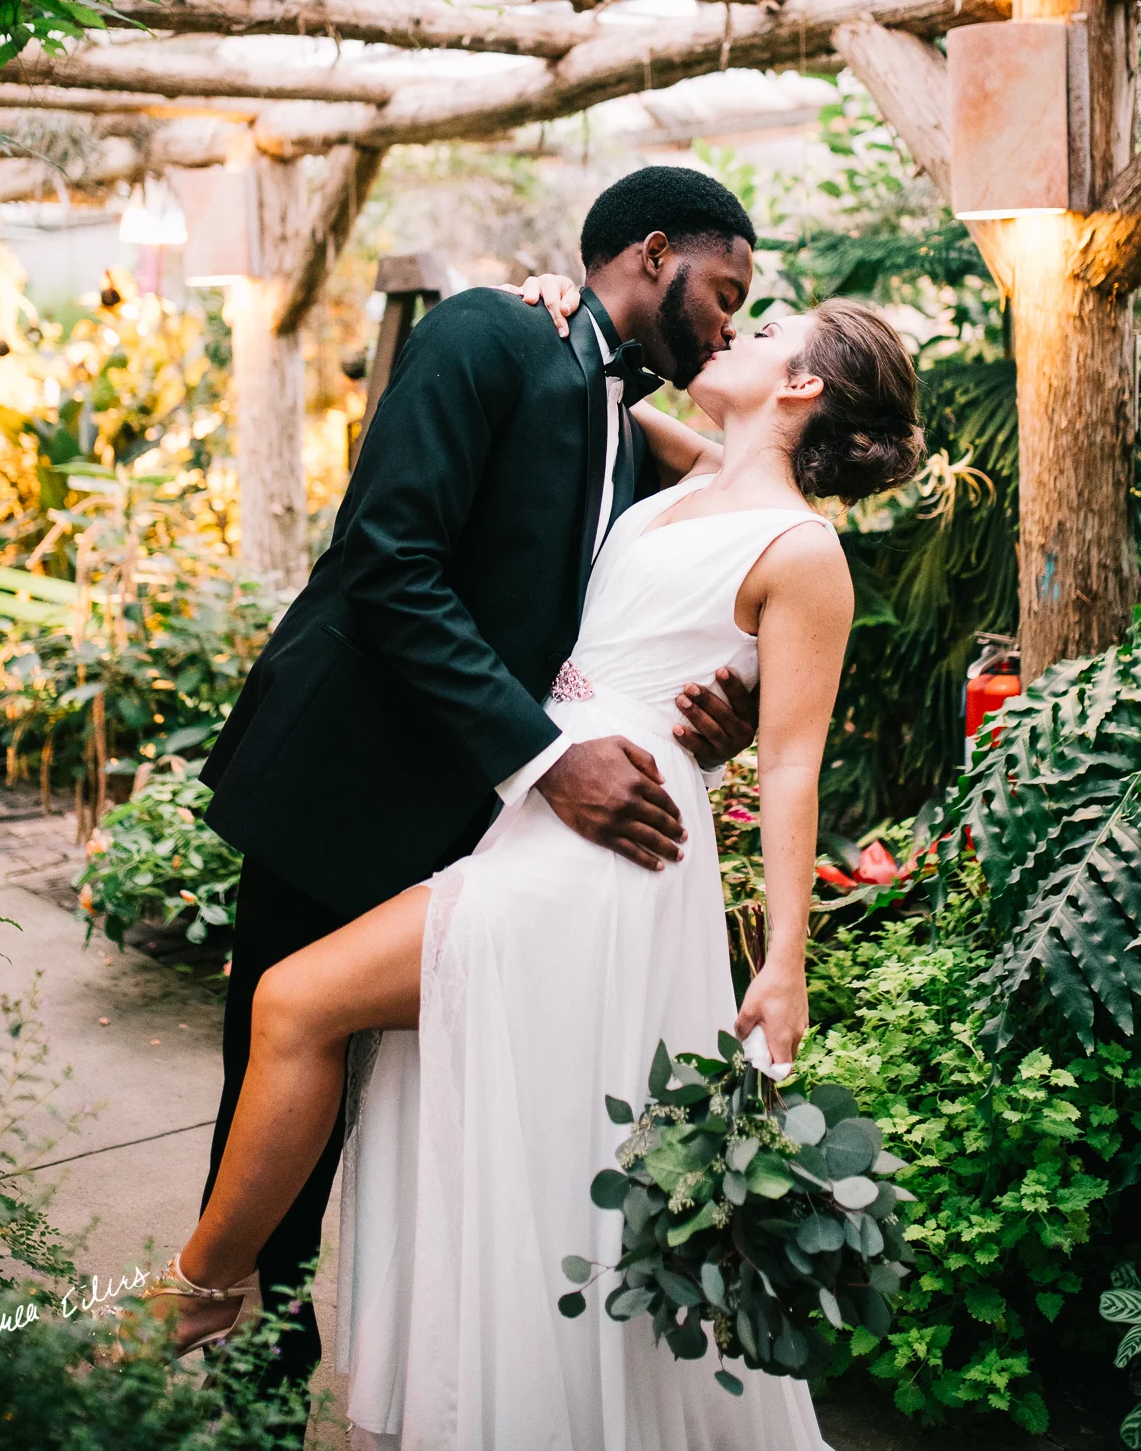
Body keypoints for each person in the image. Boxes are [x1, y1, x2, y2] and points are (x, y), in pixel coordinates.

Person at [140, 288, 924, 1451]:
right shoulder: (695, 473)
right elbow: (589, 382)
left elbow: (792, 761)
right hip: (540, 809)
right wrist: (551, 301)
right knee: (527, 1133)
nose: (733, 332)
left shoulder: (805, 550)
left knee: (295, 1001)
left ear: (802, 385)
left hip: (610, 847)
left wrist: (785, 962)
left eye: (765, 330)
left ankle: (198, 1289)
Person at [191, 166, 765, 1378]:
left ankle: (325, 1352)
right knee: (277, 1068)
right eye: (725, 291)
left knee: (391, 1102)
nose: (728, 324)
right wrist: (547, 758)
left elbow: (703, 539)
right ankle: (242, 1362)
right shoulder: (485, 335)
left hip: (471, 819)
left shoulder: (623, 420)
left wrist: (720, 707)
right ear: (653, 250)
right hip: (348, 778)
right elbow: (388, 563)